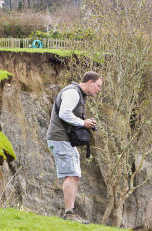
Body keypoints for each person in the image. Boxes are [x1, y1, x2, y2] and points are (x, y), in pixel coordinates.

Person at [46, 71, 103, 224]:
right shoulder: (73, 93)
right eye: (98, 86)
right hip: (60, 139)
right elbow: (64, 113)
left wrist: (85, 121)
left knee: (75, 175)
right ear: (89, 82)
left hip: (65, 140)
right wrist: (82, 123)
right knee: (71, 174)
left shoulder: (78, 94)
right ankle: (69, 213)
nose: (99, 90)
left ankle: (70, 212)